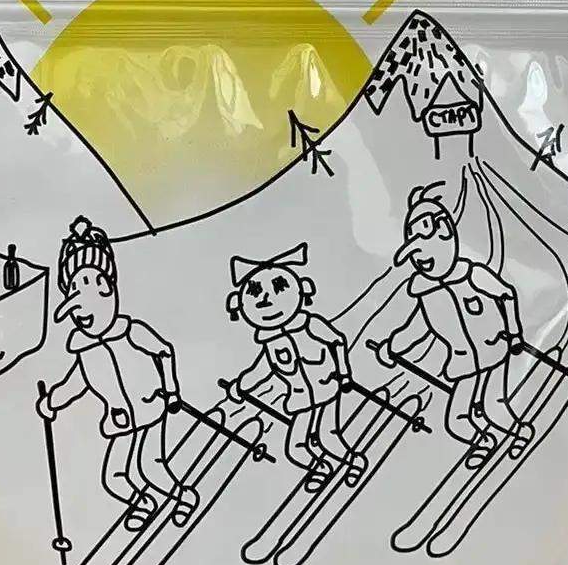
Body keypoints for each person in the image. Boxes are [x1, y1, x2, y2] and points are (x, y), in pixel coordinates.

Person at [36, 217, 198, 532]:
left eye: (98, 289)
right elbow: (75, 384)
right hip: (121, 419)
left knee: (151, 466)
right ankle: (144, 502)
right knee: (114, 477)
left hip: (151, 408)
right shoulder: (84, 350)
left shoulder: (130, 331)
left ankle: (183, 496)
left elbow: (164, 351)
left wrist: (171, 390)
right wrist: (51, 402)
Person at [373, 183, 528, 468]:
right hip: (464, 362)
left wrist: (514, 332)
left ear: (445, 233)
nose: (421, 261)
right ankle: (484, 441)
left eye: (425, 254)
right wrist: (392, 348)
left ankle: (519, 432)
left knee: (494, 404)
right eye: (417, 257)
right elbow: (416, 331)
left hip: (495, 349)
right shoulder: (427, 293)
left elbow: (506, 294)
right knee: (456, 420)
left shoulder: (472, 275)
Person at [223, 243, 364, 492]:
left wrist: (344, 373)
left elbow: (337, 340)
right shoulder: (271, 342)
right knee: (295, 447)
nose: (266, 300)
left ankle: (354, 462)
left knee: (328, 436)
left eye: (279, 288)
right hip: (301, 399)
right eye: (255, 293)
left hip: (327, 389)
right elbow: (260, 372)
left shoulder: (310, 324)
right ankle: (321, 467)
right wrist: (239, 387)